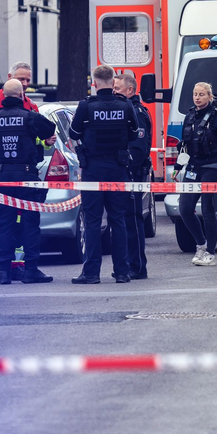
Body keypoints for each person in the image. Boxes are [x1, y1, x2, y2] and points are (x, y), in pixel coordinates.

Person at [0, 62, 56, 282]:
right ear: (11, 80)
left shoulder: (7, 112)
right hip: (3, 173)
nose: (26, 84)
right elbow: (45, 130)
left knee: (7, 221)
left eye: (28, 80)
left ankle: (6, 271)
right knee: (22, 222)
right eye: (22, 80)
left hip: (2, 175)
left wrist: (44, 142)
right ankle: (21, 269)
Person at [69, 65, 138, 284]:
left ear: (95, 83)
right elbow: (134, 134)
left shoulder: (86, 106)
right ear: (112, 81)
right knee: (118, 220)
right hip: (118, 169)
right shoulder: (126, 105)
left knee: (92, 221)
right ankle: (122, 272)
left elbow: (74, 133)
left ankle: (91, 273)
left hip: (93, 170)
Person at [172, 81, 217, 266]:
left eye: (201, 94)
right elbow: (185, 146)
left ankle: (210, 253)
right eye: (195, 94)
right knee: (184, 208)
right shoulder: (189, 116)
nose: (197, 98)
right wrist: (177, 167)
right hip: (193, 168)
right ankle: (201, 243)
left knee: (208, 210)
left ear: (210, 96)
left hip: (213, 168)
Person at [113, 73, 153, 280]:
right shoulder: (126, 111)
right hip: (126, 174)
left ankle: (137, 267)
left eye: (117, 89)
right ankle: (130, 263)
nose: (113, 93)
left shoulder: (136, 112)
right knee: (125, 220)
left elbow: (138, 150)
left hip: (134, 174)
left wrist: (126, 168)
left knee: (133, 220)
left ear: (130, 90)